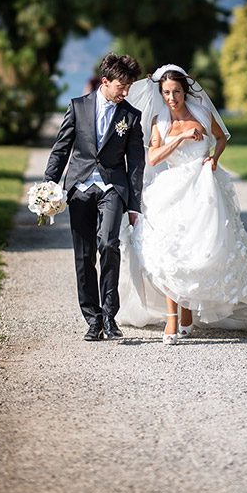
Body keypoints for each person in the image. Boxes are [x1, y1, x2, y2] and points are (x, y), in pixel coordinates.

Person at [118, 64, 247, 343]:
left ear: (185, 91)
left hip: (203, 190)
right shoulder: (159, 121)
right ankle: (172, 318)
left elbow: (221, 137)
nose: (171, 98)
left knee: (198, 252)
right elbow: (154, 158)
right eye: (166, 93)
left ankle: (187, 310)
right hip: (171, 191)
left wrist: (214, 158)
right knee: (168, 253)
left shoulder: (203, 113)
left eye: (176, 92)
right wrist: (181, 137)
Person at [44, 53, 145, 342]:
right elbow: (61, 148)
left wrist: (134, 205)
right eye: (121, 87)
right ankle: (93, 318)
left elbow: (136, 164)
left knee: (109, 244)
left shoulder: (131, 116)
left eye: (129, 87)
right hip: (79, 188)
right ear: (105, 81)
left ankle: (110, 316)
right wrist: (48, 185)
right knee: (84, 254)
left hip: (112, 188)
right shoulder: (77, 107)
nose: (125, 93)